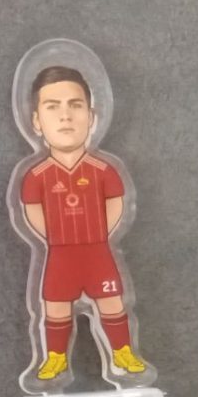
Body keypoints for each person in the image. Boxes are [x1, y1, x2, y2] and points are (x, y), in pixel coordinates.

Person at [20, 66, 147, 380]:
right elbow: (32, 209)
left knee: (112, 301)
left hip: (97, 251)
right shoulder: (36, 176)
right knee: (55, 305)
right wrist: (54, 236)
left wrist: (99, 233)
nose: (65, 116)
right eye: (53, 107)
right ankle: (55, 358)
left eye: (75, 105)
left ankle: (123, 352)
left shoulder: (102, 170)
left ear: (91, 117)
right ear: (36, 121)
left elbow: (115, 203)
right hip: (60, 254)